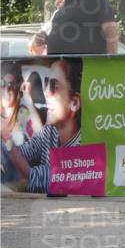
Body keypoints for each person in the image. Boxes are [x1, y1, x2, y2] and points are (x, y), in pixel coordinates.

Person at [2, 58, 82, 193]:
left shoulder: (81, 147)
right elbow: (23, 153)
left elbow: (34, 178)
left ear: (74, 103)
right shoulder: (50, 131)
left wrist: (6, 139)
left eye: (53, 86)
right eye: (46, 83)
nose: (45, 92)